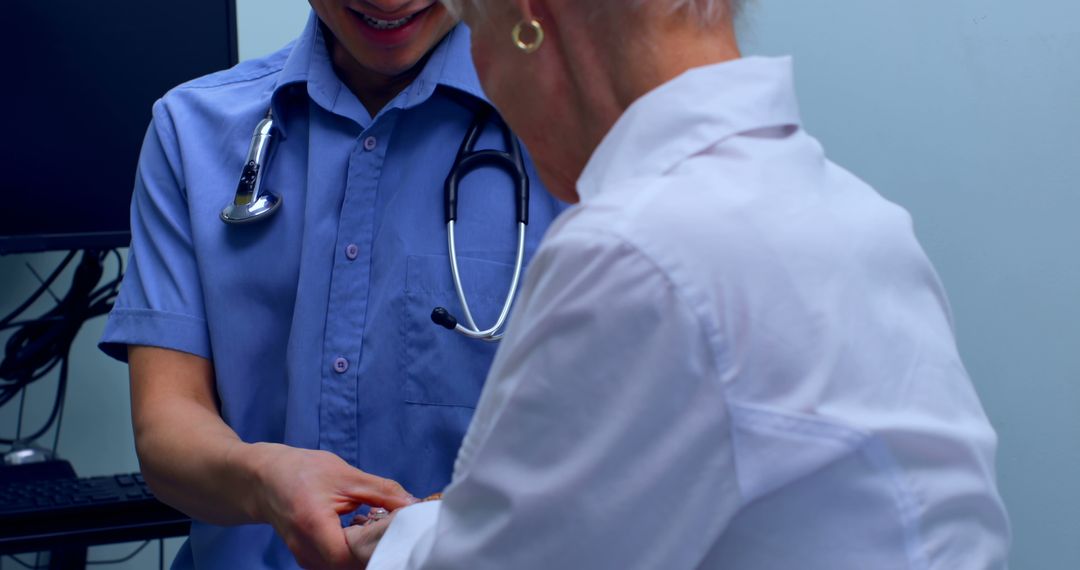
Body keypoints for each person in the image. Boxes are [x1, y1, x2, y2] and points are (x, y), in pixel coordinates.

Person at [346, 0, 1012, 567]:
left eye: (476, 32)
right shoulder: (857, 215)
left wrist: (390, 545)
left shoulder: (639, 251)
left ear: (528, 19)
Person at [98, 1, 562, 568]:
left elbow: (616, 437)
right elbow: (167, 425)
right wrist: (263, 479)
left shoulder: (570, 130)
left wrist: (429, 532)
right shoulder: (189, 130)